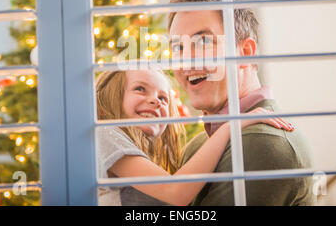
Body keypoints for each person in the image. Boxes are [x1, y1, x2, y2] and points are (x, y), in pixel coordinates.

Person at [168, 0, 315, 206]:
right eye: (178, 48)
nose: (186, 61)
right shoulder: (200, 145)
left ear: (245, 53)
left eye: (204, 42)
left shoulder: (262, 143)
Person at [95, 69, 294, 206]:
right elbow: (177, 192)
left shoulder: (138, 153)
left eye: (163, 98)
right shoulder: (105, 134)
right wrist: (230, 127)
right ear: (112, 95)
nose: (156, 100)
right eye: (140, 89)